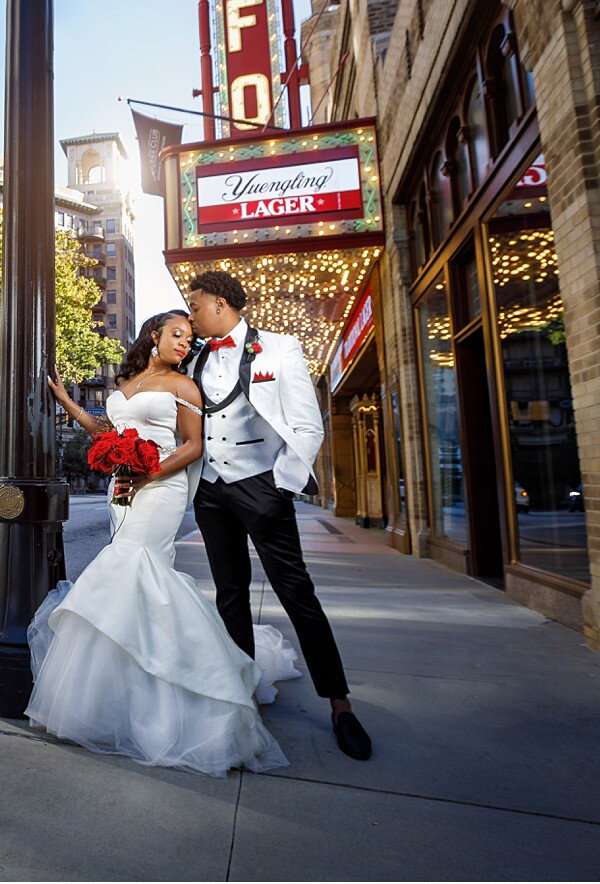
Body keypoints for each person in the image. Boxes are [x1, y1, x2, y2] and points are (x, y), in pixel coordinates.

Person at [34, 312, 301, 777]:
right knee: (135, 582)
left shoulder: (184, 387)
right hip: (122, 490)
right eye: (177, 334)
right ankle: (130, 690)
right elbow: (107, 431)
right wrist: (66, 403)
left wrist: (147, 474)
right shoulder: (126, 380)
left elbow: (193, 445)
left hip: (161, 486)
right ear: (154, 335)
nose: (184, 342)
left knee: (130, 565)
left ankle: (191, 688)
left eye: (190, 338)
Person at [183, 270, 373, 761]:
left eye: (197, 304)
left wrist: (277, 487)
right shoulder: (196, 355)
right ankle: (241, 694)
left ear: (222, 304)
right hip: (211, 490)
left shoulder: (281, 348)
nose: (192, 313)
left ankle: (340, 704)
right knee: (230, 595)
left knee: (296, 592)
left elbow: (308, 427)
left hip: (261, 486)